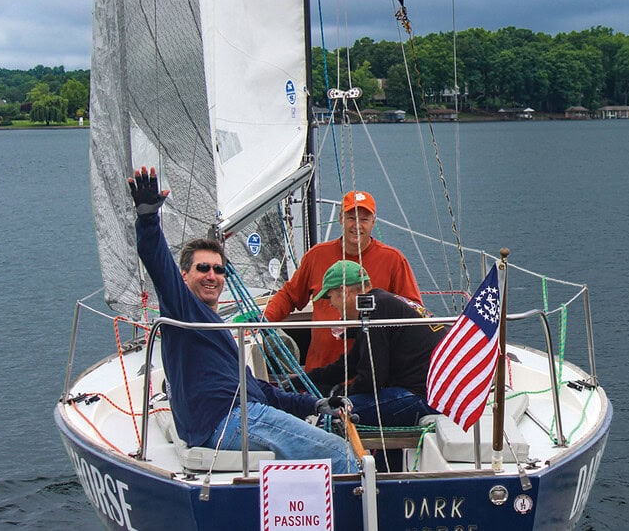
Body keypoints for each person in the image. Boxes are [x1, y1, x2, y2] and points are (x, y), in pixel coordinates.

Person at [128, 166, 358, 474]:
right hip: (226, 419)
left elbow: (260, 389)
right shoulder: (182, 310)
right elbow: (158, 263)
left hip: (240, 414)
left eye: (219, 270)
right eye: (203, 269)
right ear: (184, 275)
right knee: (340, 453)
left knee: (330, 441)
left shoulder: (221, 328)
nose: (212, 276)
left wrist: (313, 405)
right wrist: (147, 220)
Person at [264, 190, 422, 371]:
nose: (357, 225)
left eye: (364, 219)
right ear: (340, 219)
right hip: (321, 370)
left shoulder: (393, 260)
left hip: (372, 374)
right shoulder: (316, 255)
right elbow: (290, 296)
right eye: (351, 218)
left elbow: (413, 310)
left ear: (373, 222)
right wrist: (262, 322)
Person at [305, 260, 445, 428]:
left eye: (330, 297)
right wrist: (305, 379)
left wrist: (339, 395)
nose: (330, 303)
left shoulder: (374, 310)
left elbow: (372, 378)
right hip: (437, 395)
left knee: (326, 416)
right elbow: (352, 363)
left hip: (421, 396)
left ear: (344, 292)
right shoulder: (381, 303)